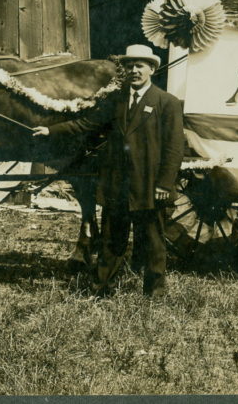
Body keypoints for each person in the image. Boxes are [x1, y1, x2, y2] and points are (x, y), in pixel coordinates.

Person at [33, 44, 185, 297]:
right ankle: (101, 288)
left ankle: (155, 292)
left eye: (140, 66)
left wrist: (164, 185)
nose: (134, 71)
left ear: (152, 69)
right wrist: (51, 130)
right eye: (129, 66)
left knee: (152, 241)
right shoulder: (116, 100)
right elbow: (86, 123)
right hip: (117, 184)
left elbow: (174, 149)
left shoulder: (166, 103)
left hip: (149, 185)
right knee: (112, 239)